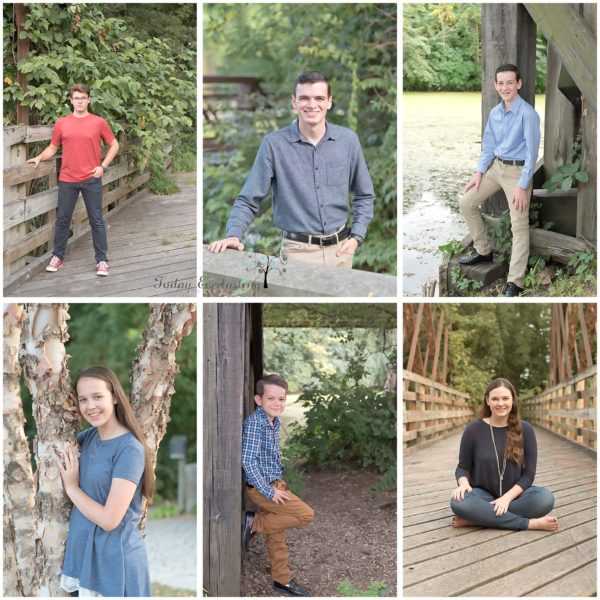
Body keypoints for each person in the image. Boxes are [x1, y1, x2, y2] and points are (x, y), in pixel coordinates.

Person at [208, 71, 375, 269]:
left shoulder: (348, 140)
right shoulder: (274, 144)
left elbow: (365, 195)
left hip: (342, 252)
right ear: (294, 102)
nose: (312, 105)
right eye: (304, 98)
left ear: (329, 102)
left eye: (319, 98)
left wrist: (356, 237)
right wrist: (233, 235)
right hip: (297, 253)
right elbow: (249, 198)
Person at [58, 365, 154, 597]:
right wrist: (67, 415)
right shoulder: (88, 437)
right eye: (83, 400)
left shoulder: (129, 449)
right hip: (84, 558)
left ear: (114, 397)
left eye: (98, 397)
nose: (90, 406)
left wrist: (71, 487)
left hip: (115, 561)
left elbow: (110, 519)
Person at [458, 64, 541, 297]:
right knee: (466, 203)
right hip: (496, 168)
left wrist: (522, 186)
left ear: (519, 84)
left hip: (518, 172)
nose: (505, 87)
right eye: (501, 83)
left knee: (519, 226)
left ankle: (515, 281)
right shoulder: (495, 113)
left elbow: (532, 154)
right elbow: (488, 147)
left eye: (509, 82)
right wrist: (478, 172)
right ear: (495, 85)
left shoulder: (528, 115)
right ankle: (483, 251)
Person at [27, 84, 119, 277]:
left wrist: (102, 167)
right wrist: (39, 158)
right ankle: (57, 256)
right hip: (67, 179)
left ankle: (102, 261)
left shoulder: (98, 122)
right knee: (62, 220)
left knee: (97, 220)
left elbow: (114, 145)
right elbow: (53, 148)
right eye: (76, 98)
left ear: (89, 100)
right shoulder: (62, 123)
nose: (79, 101)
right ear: (71, 100)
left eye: (83, 98)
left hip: (91, 178)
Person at [450, 378, 558, 532]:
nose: (500, 403)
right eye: (495, 399)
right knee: (458, 501)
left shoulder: (526, 429)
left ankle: (478, 518)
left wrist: (506, 499)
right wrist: (464, 484)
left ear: (513, 400)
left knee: (545, 498)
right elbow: (463, 467)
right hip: (482, 495)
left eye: (505, 398)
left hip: (515, 496)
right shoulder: (473, 429)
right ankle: (529, 524)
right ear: (487, 401)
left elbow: (529, 474)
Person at [241, 375, 315, 596]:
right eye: (271, 398)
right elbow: (247, 460)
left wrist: (279, 483)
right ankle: (253, 523)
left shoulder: (274, 421)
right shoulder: (255, 424)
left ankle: (281, 580)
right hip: (264, 488)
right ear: (258, 399)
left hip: (276, 484)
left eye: (281, 399)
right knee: (306, 515)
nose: (277, 403)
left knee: (277, 533)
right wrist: (268, 491)